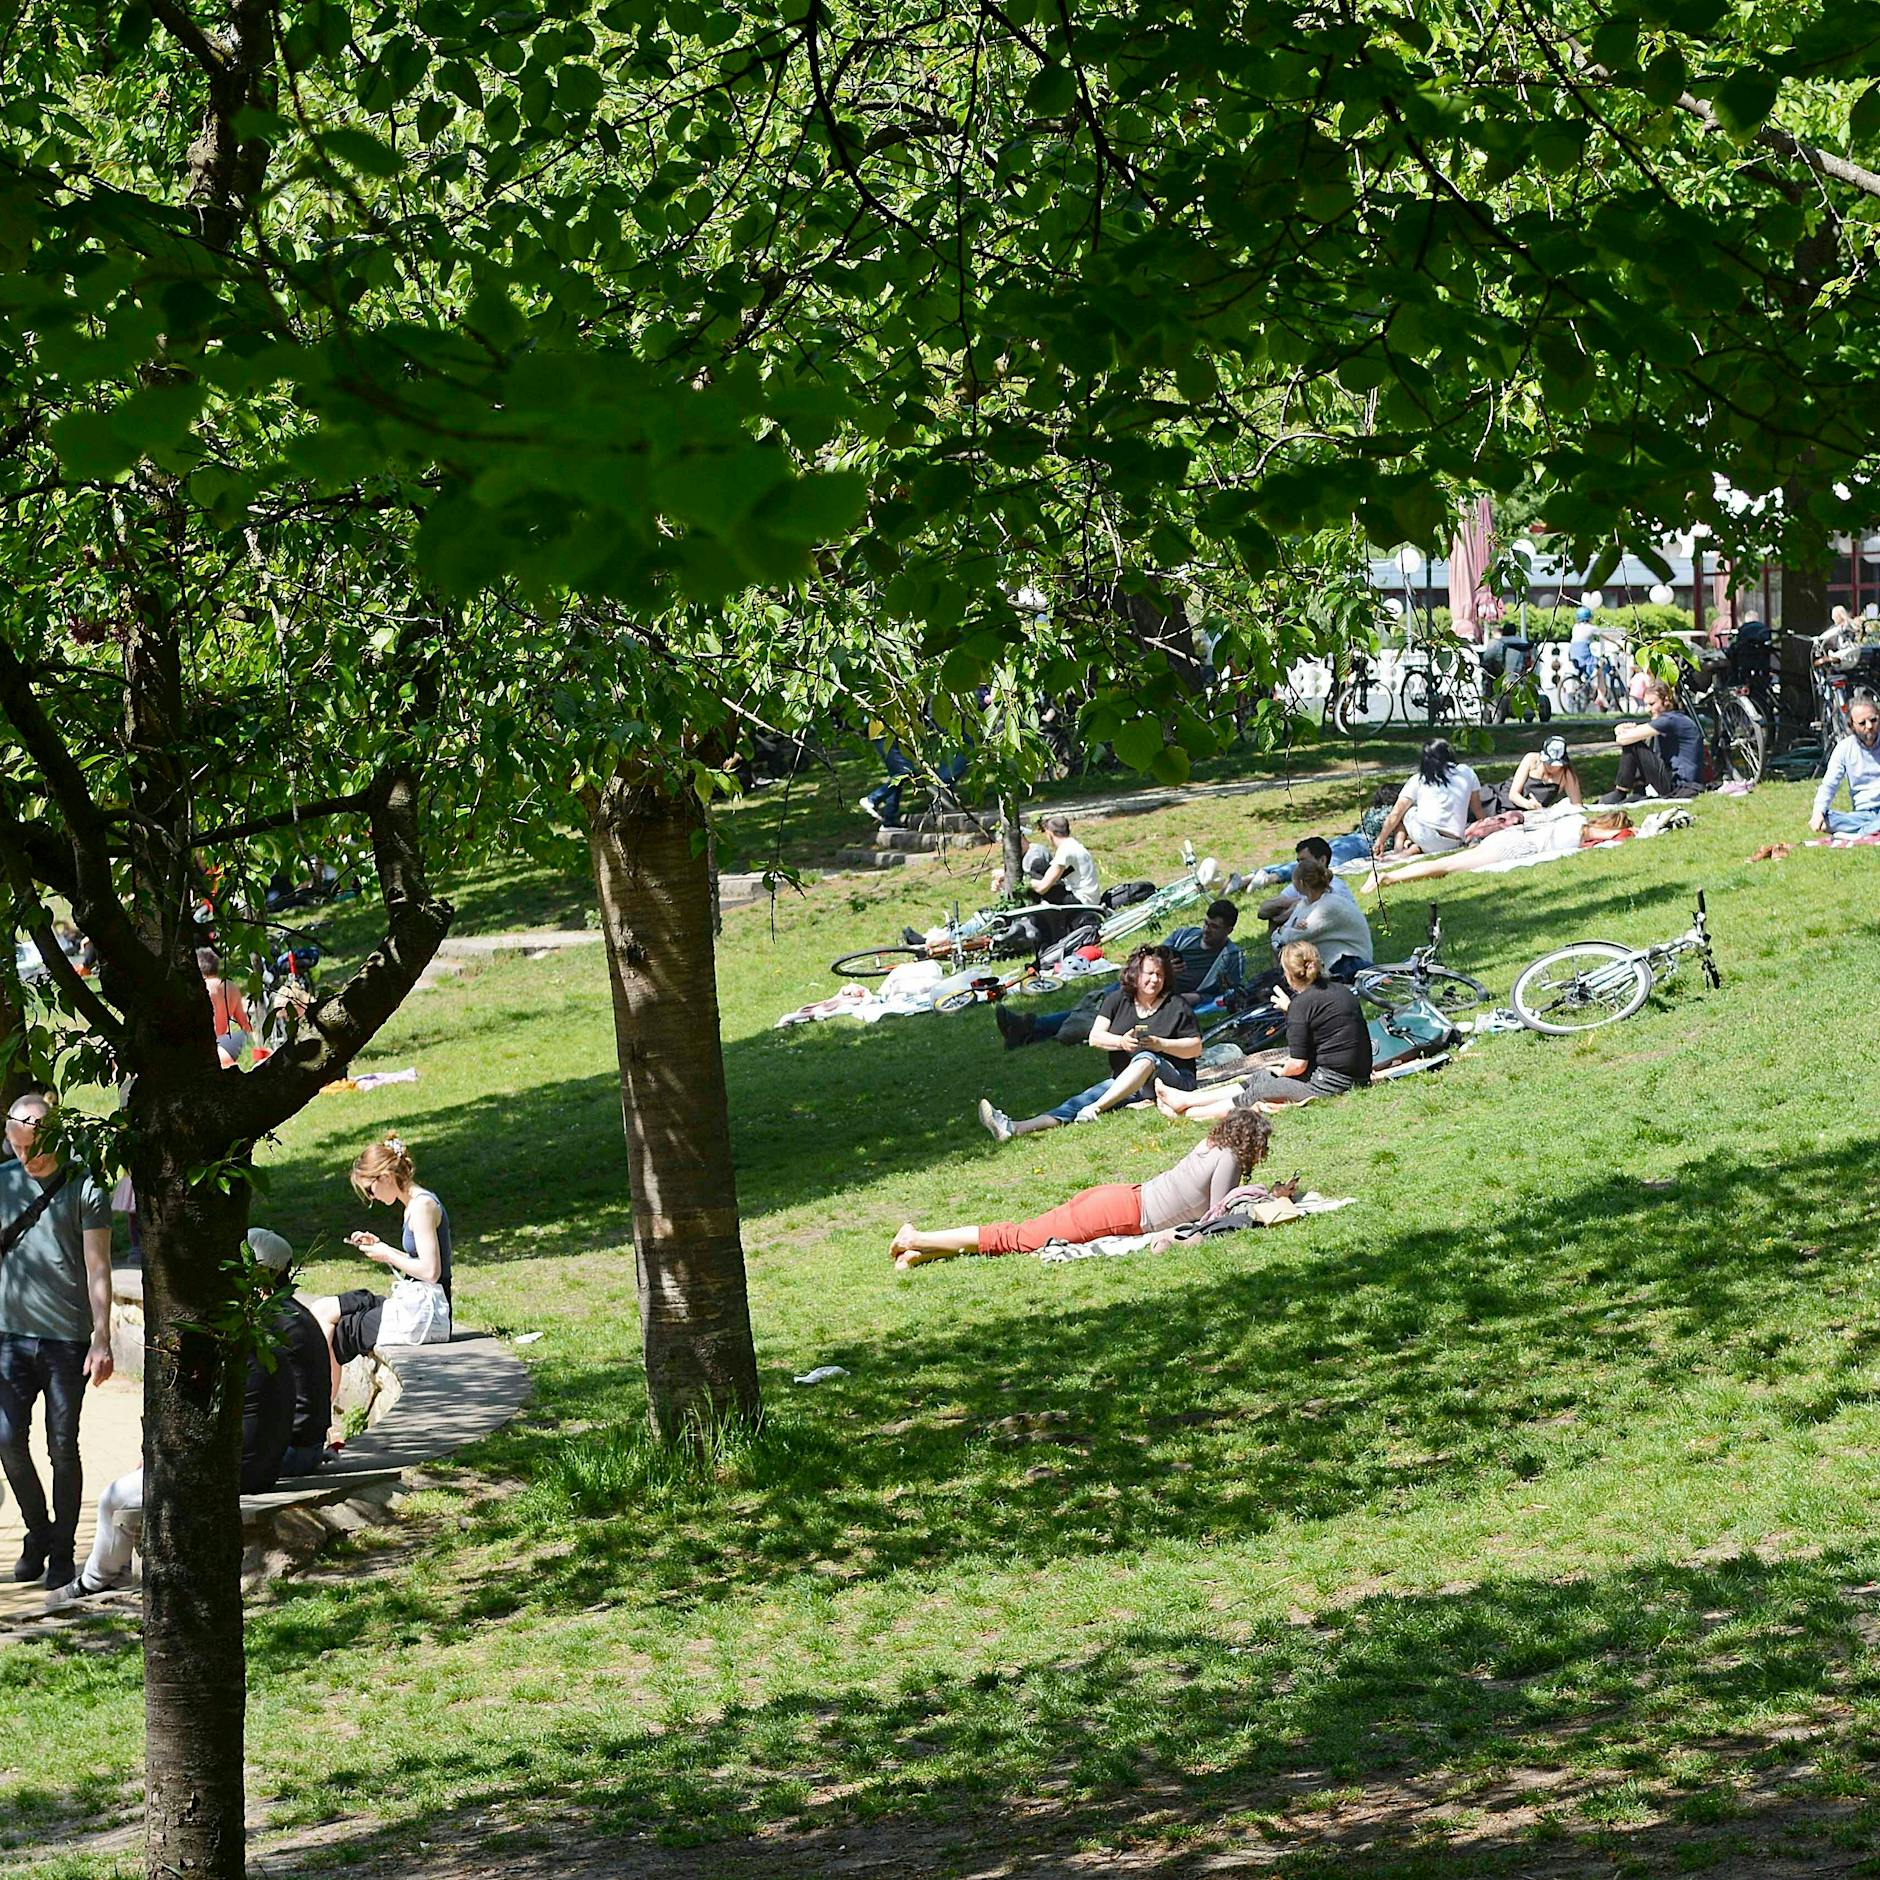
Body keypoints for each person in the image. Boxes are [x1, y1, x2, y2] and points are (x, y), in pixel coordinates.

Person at [46, 1230, 302, 1609]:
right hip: (264, 1462)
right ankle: (104, 1573)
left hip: (236, 1468)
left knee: (112, 1497)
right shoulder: (267, 1325)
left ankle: (97, 1580)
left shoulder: (229, 1333)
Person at [891, 1109, 1278, 1268]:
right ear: (1250, 1142)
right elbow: (1216, 1217)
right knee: (1019, 1238)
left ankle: (920, 1252)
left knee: (1024, 1235)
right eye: (1260, 1147)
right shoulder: (1227, 1158)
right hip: (1124, 1213)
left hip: (1121, 1197)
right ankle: (917, 1235)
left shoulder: (1210, 1145)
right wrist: (1262, 1201)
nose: (1260, 1155)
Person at [0, 1093, 113, 1591]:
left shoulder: (86, 1185)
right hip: (9, 1338)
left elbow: (99, 1267)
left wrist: (102, 1337)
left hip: (67, 1341)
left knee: (62, 1446)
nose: (26, 1158)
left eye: (33, 1149)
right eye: (16, 1147)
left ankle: (63, 1551)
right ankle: (38, 1532)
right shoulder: (2, 1182)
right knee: (6, 1438)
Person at [978, 944, 1200, 1140]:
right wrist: (1122, 1042)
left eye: (1160, 975)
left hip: (1174, 1081)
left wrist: (1160, 1045)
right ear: (1135, 974)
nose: (1155, 980)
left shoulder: (1176, 1006)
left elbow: (1195, 1047)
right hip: (1129, 1081)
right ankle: (1014, 1127)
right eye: (1149, 973)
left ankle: (1094, 1109)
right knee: (1077, 1102)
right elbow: (1095, 1037)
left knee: (1147, 1058)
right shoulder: (1117, 1001)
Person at [1160, 942, 1372, 1118]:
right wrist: (1292, 1011)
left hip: (1331, 1083)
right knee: (1262, 1075)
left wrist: (1282, 1071)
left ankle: (1189, 1114)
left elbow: (1298, 1065)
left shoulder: (1302, 1004)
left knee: (1262, 1089)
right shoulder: (1340, 990)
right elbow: (1322, 1027)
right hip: (1355, 1075)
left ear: (1288, 975)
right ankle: (1186, 1100)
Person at [308, 1136, 453, 1394]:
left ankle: (318, 1417)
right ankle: (319, 1415)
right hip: (416, 1304)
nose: (371, 1198)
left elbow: (432, 1272)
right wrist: (381, 1246)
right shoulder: (415, 1204)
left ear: (385, 1176)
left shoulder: (422, 1207)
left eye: (370, 1190)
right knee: (324, 1308)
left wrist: (387, 1253)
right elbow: (420, 1263)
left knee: (341, 1333)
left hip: (426, 1314)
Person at [993, 900, 1242, 1049]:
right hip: (1145, 983)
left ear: (1229, 929)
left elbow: (1230, 991)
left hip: (1169, 998)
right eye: (1206, 923)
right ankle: (1030, 1031)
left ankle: (1029, 1027)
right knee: (1100, 1005)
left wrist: (1191, 997)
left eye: (1215, 927)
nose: (1207, 930)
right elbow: (1152, 956)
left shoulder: (1230, 956)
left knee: (1102, 1009)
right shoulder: (1184, 935)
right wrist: (1165, 968)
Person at [1360, 807, 1630, 890]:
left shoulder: (1575, 821)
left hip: (1511, 840)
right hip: (1516, 848)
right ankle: (1388, 877)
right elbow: (1615, 834)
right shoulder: (1582, 828)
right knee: (1446, 867)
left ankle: (1391, 876)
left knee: (1450, 865)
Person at [248, 1228, 334, 1476]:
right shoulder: (293, 1311)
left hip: (292, 1452)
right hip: (309, 1446)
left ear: (262, 1272)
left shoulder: (272, 1321)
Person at [1371, 740, 1484, 857]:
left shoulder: (1419, 779)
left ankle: (1398, 848)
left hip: (1426, 836)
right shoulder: (1467, 772)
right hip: (1453, 841)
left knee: (1405, 810)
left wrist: (1380, 840)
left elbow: (1395, 814)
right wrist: (1487, 828)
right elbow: (1477, 809)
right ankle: (1413, 847)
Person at [1271, 855, 1373, 978]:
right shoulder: (1305, 904)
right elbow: (1286, 934)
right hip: (1331, 962)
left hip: (1350, 963)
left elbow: (1291, 938)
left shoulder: (1328, 906)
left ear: (1301, 883)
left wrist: (1281, 932)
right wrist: (1284, 931)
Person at [1602, 678, 1702, 801]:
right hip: (1677, 782)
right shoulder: (1674, 719)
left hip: (1681, 786)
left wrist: (1623, 732)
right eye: (1646, 705)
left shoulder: (1670, 720)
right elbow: (1636, 733)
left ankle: (1621, 791)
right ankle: (1638, 790)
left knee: (1633, 743)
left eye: (1652, 704)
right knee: (1637, 743)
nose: (1648, 709)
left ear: (1666, 701)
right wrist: (1621, 729)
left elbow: (1624, 739)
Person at [1811, 696, 1880, 835]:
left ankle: (1864, 831)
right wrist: (1818, 812)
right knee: (1826, 821)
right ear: (1851, 725)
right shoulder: (1844, 748)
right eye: (1862, 723)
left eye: (1873, 720)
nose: (1869, 726)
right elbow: (1829, 785)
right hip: (1862, 814)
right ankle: (1870, 830)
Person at [198, 947, 254, 1068]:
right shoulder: (231, 986)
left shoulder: (200, 989)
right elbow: (244, 1023)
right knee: (242, 1036)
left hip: (203, 1045)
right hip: (224, 1043)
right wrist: (253, 1042)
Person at [1027, 815, 1100, 904]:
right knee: (1039, 866)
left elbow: (1042, 888)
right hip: (1092, 899)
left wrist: (1022, 881)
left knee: (1035, 872)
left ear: (1049, 834)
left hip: (1081, 901)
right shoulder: (1074, 845)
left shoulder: (1065, 851)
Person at [1506, 735, 1583, 811]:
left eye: (1556, 764)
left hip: (1531, 814)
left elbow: (1577, 804)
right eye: (1548, 762)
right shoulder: (1532, 759)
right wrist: (1528, 804)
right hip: (1504, 800)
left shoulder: (1566, 774)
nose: (1551, 766)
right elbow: (1513, 794)